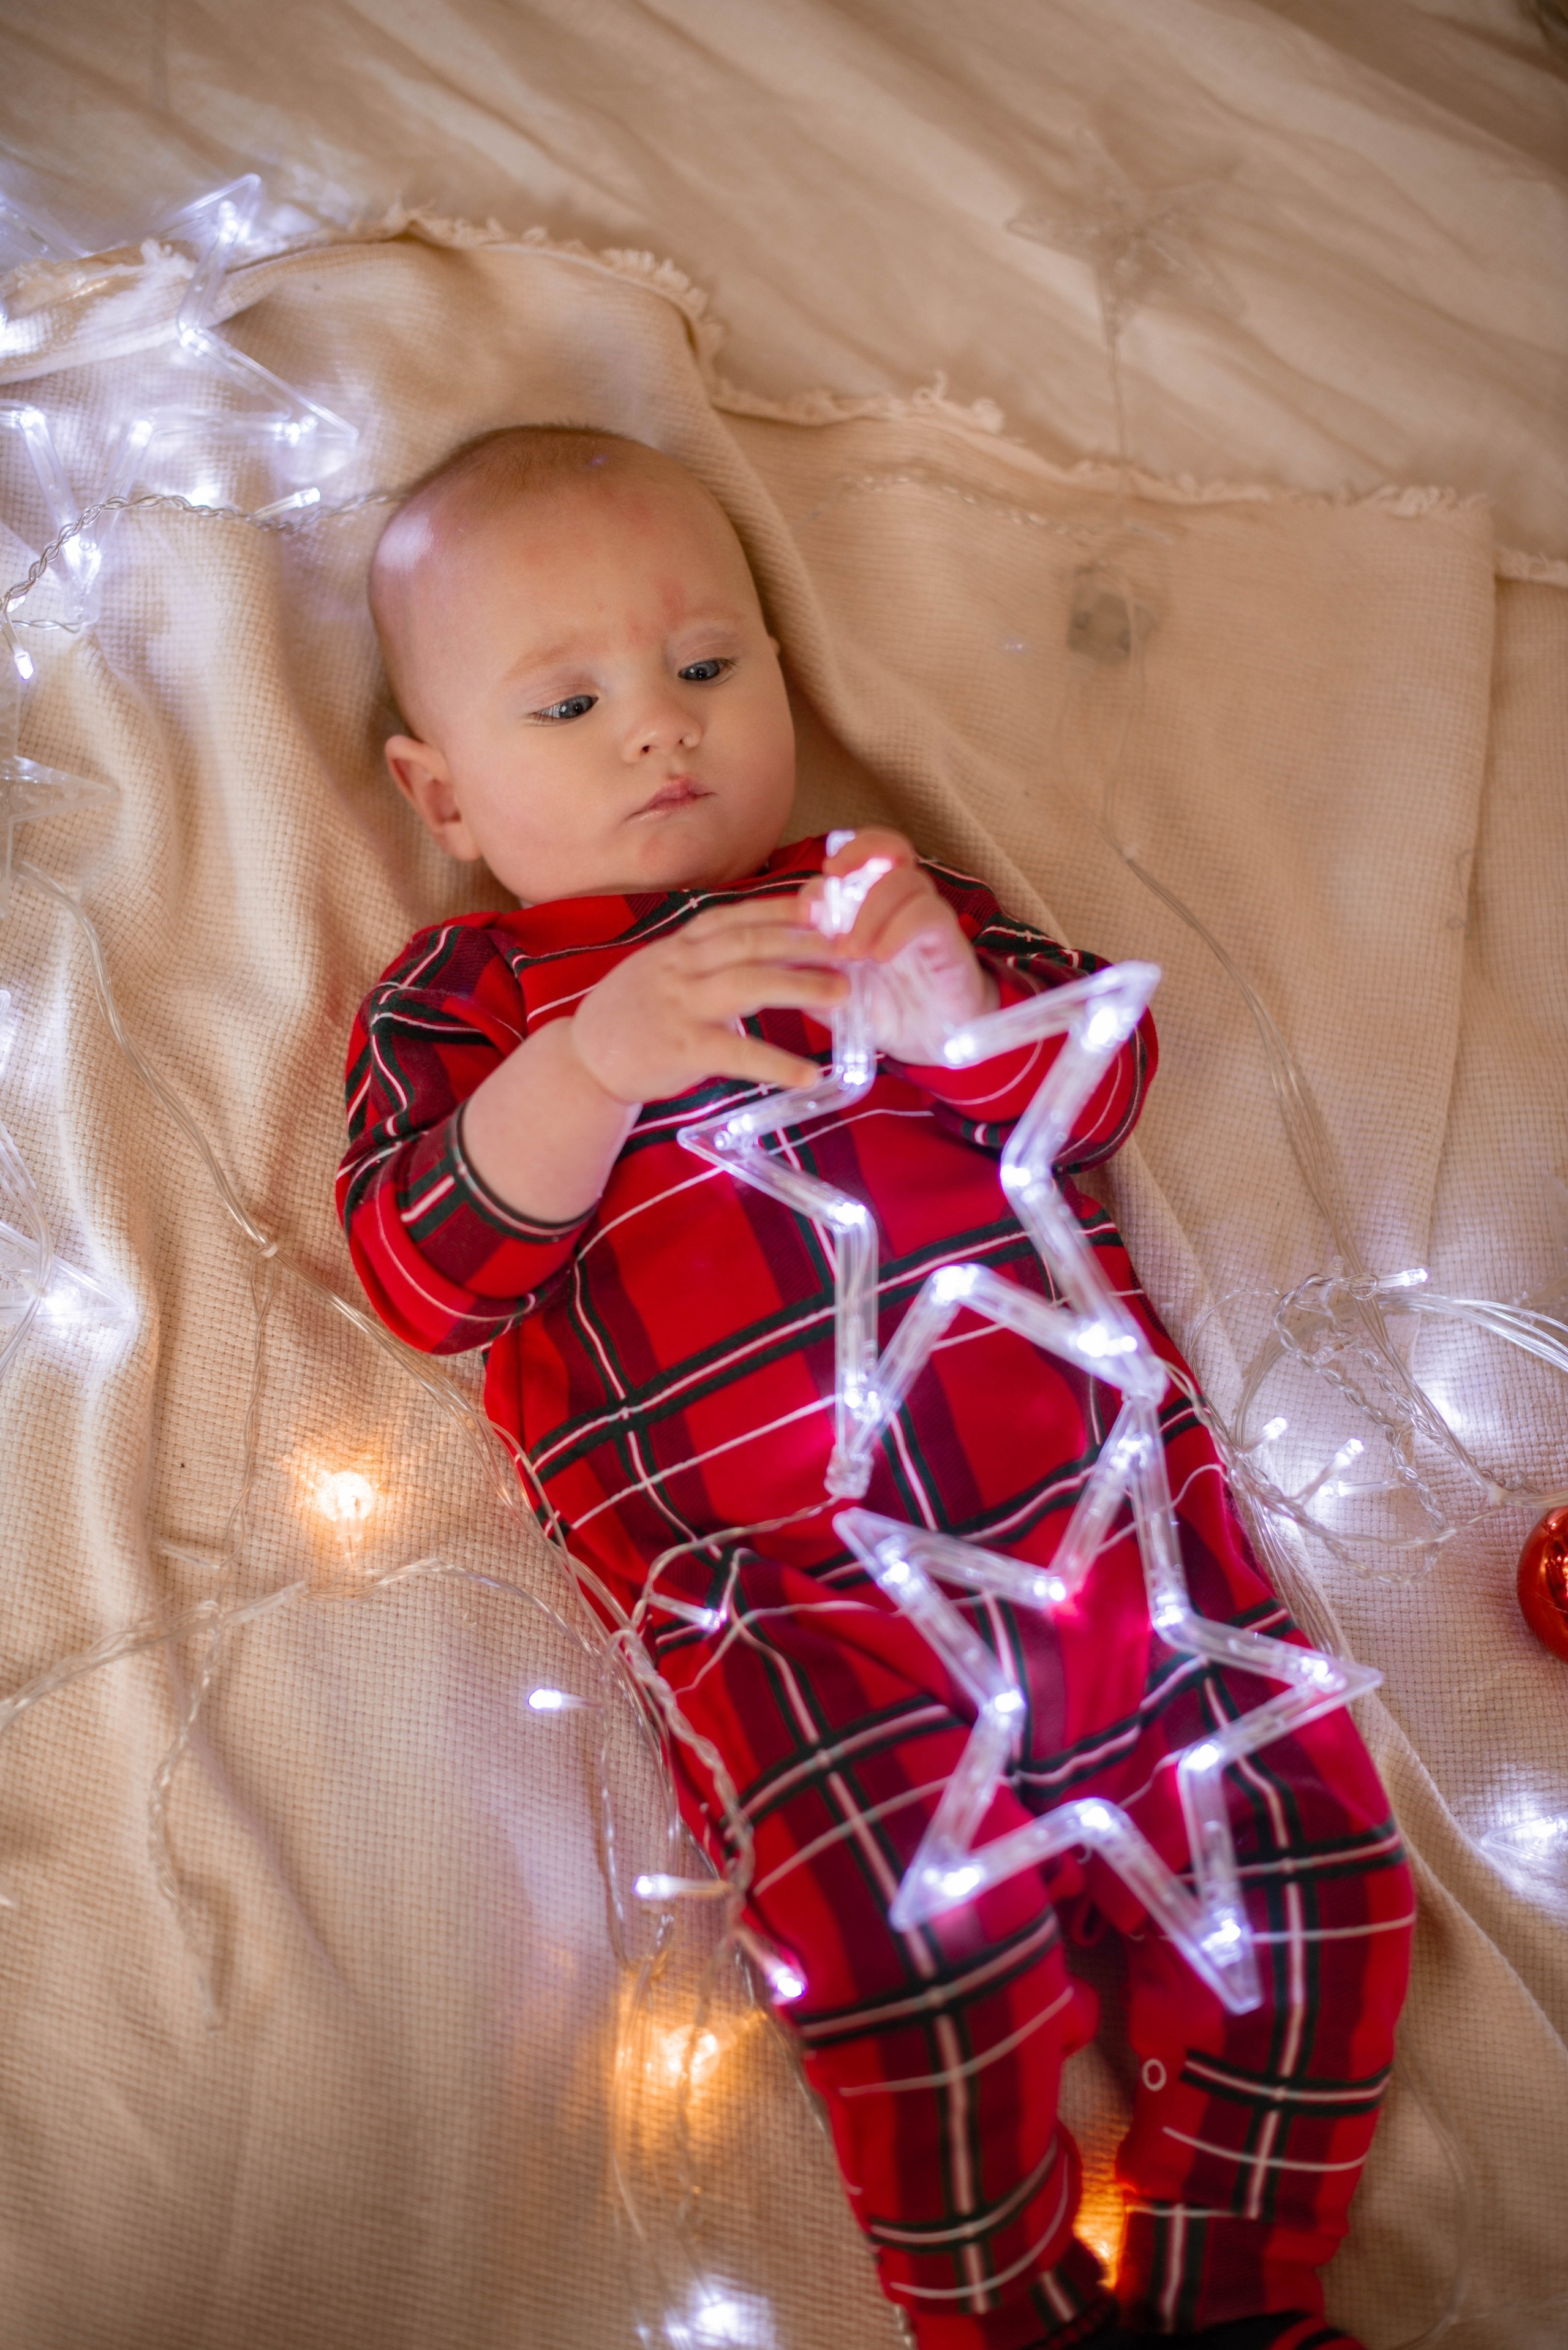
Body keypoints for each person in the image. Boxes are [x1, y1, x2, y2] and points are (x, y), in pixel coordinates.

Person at [338, 425, 1412, 2350]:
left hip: (1117, 1546)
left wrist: (950, 1008)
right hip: (794, 1624)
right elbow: (428, 1272)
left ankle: (1234, 2290)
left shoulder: (871, 900)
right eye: (569, 703)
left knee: (1318, 1879)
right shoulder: (474, 999)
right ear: (445, 793)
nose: (656, 725)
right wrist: (593, 1065)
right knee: (916, 1983)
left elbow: (1095, 1092)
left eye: (705, 663)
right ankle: (1005, 2319)